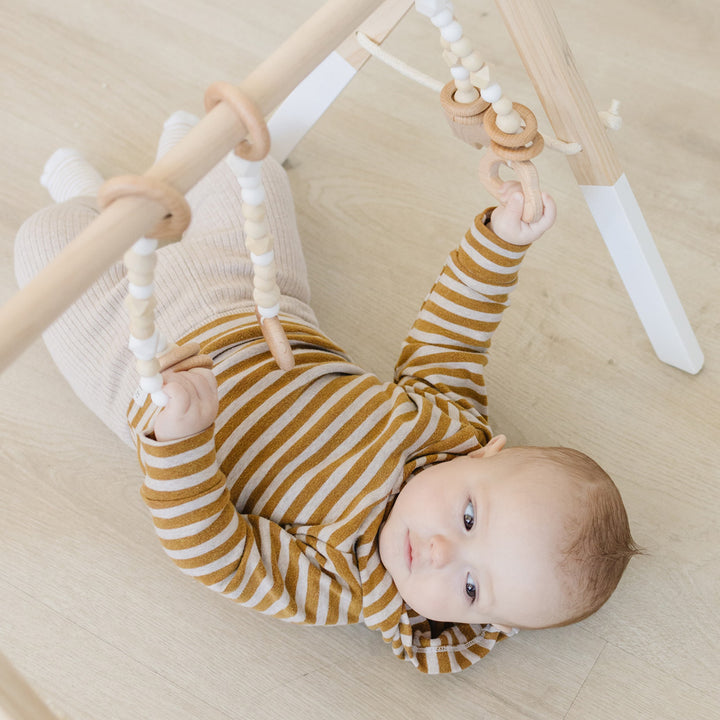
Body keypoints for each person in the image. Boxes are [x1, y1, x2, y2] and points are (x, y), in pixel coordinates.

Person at [14, 112, 639, 674]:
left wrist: (178, 440)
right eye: (470, 517)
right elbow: (453, 332)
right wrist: (499, 246)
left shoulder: (342, 584)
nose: (443, 552)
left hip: (143, 369)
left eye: (471, 588)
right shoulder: (447, 429)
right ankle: (178, 163)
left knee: (43, 245)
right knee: (245, 157)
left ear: (478, 623)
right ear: (486, 454)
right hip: (260, 299)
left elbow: (217, 552)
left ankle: (89, 205)